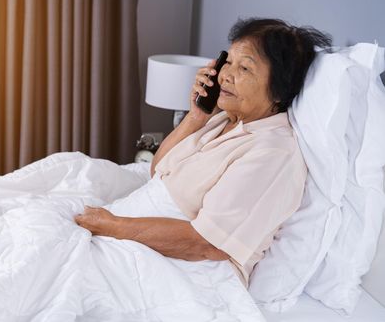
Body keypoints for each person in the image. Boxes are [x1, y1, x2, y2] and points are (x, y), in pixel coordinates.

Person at [75, 18, 332, 286]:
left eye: (244, 67)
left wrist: (113, 226)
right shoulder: (223, 119)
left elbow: (208, 244)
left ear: (279, 90)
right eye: (227, 61)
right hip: (137, 236)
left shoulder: (273, 152)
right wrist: (196, 116)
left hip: (194, 270)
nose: (225, 75)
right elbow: (158, 171)